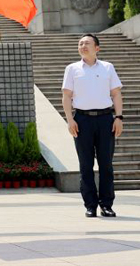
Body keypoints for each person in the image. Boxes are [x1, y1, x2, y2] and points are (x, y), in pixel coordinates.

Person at [62, 33, 123, 218]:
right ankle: (90, 205)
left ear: (97, 48)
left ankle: (106, 205)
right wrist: (70, 120)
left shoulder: (107, 67)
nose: (83, 46)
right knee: (86, 165)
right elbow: (66, 96)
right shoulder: (72, 69)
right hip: (82, 120)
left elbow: (116, 94)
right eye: (80, 43)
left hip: (106, 120)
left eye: (87, 43)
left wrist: (119, 117)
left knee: (106, 165)